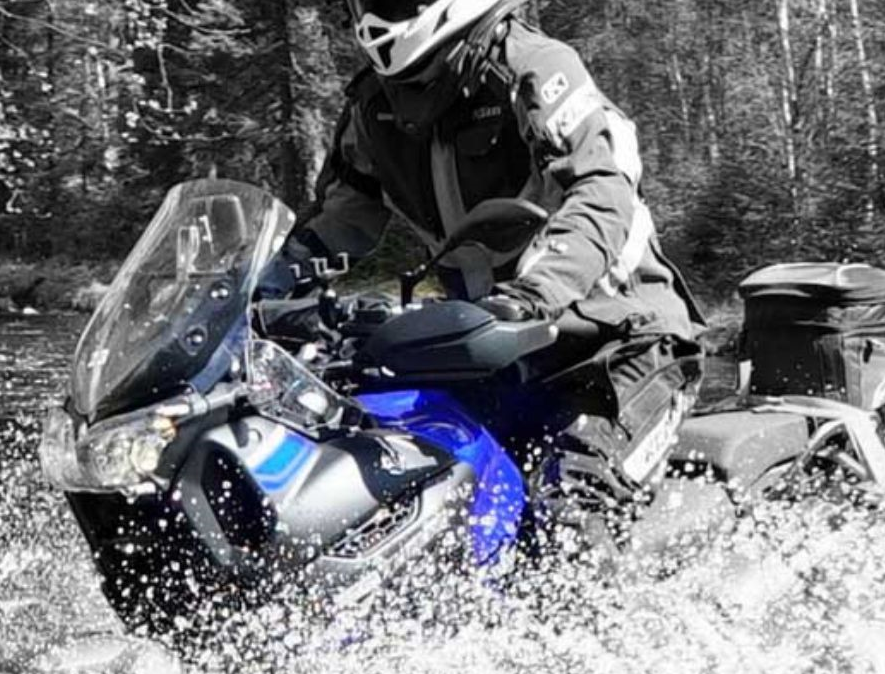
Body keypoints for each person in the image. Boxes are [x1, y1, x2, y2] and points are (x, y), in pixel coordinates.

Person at [261, 0, 706, 550]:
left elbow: (600, 190)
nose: (375, 14)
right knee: (419, 492)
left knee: (567, 519)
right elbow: (341, 215)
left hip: (619, 343)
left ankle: (615, 604)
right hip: (493, 352)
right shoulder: (374, 106)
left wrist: (534, 293)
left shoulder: (532, 66)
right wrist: (262, 289)